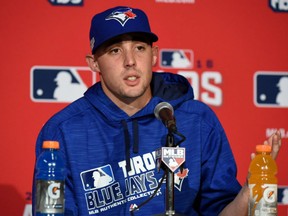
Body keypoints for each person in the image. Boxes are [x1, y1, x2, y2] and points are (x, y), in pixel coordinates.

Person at [32, 6, 282, 216]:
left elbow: (220, 211)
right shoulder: (62, 131)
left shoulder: (196, 120)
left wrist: (251, 190)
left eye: (140, 48)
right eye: (115, 50)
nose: (130, 61)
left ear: (154, 55)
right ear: (94, 63)